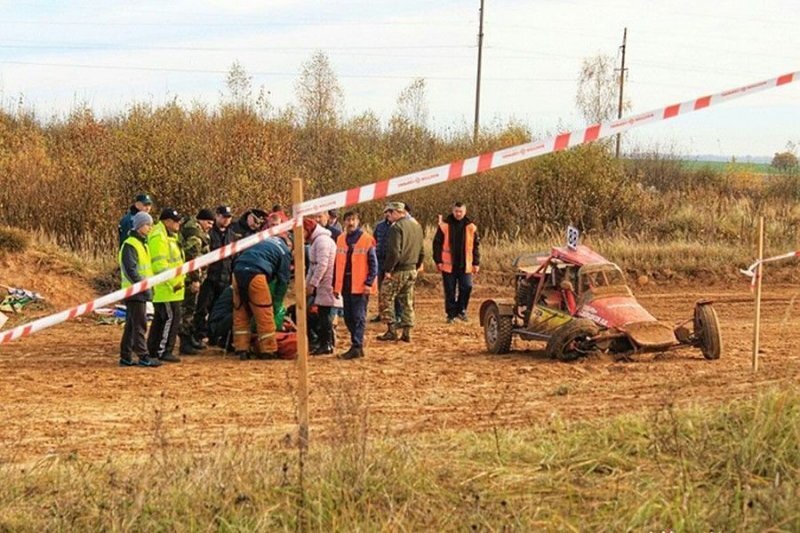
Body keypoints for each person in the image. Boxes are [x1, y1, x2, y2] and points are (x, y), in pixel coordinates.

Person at [231, 233, 292, 360]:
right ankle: (268, 350)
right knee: (264, 313)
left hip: (237, 272)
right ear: (289, 244)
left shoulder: (261, 242)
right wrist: (276, 303)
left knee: (241, 311)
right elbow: (283, 280)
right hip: (256, 275)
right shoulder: (284, 251)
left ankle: (241, 348)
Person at [377, 202, 425, 343]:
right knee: (407, 301)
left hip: (399, 269)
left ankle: (391, 330)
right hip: (412, 269)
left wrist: (388, 269)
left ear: (397, 212)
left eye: (389, 213)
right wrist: (417, 265)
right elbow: (422, 250)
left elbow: (394, 252)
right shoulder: (416, 226)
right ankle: (407, 332)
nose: (388, 216)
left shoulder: (396, 227)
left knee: (385, 298)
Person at [333, 211, 378, 360]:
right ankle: (357, 345)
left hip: (360, 284)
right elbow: (336, 264)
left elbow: (373, 264)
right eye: (348, 220)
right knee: (348, 318)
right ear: (344, 222)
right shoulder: (340, 239)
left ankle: (356, 346)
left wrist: (368, 283)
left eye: (353, 220)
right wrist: (336, 286)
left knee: (359, 317)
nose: (350, 223)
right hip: (345, 284)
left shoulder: (366, 239)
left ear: (358, 221)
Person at [119, 211, 160, 367]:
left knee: (131, 325)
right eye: (147, 225)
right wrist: (143, 287)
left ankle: (126, 356)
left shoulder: (143, 243)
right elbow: (131, 270)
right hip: (135, 291)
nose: (150, 228)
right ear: (139, 226)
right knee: (140, 324)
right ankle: (143, 356)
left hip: (139, 290)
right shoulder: (131, 244)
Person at [146, 208, 185, 363]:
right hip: (166, 288)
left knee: (161, 319)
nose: (178, 224)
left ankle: (154, 349)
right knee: (171, 318)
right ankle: (164, 350)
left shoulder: (169, 236)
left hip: (171, 288)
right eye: (175, 221)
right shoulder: (159, 236)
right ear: (167, 221)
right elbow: (160, 265)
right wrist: (174, 282)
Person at [433, 201, 481, 323]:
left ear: (465, 212)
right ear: (453, 211)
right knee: (450, 290)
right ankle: (451, 314)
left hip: (465, 264)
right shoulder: (444, 226)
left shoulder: (471, 227)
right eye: (456, 211)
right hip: (448, 265)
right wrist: (438, 260)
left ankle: (462, 310)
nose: (458, 214)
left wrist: (476, 262)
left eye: (460, 211)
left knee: (467, 287)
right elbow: (437, 244)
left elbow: (476, 246)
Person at [193, 205, 234, 340]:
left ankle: (214, 335)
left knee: (218, 310)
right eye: (224, 217)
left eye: (229, 217)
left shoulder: (232, 235)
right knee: (202, 308)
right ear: (217, 216)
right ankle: (199, 334)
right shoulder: (208, 233)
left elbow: (234, 257)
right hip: (210, 277)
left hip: (225, 278)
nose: (226, 220)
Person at [178, 208, 214, 355]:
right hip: (189, 279)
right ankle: (185, 343)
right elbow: (192, 258)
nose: (210, 226)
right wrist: (195, 280)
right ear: (201, 220)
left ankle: (189, 338)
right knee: (187, 310)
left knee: (191, 309)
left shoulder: (195, 230)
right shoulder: (195, 234)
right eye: (208, 222)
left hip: (193, 277)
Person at [304, 218, 342, 355]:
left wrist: (312, 284)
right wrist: (307, 284)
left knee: (324, 314)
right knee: (321, 314)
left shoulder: (322, 241)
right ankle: (322, 342)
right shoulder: (315, 242)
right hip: (321, 283)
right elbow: (312, 267)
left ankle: (327, 344)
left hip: (327, 283)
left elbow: (322, 265)